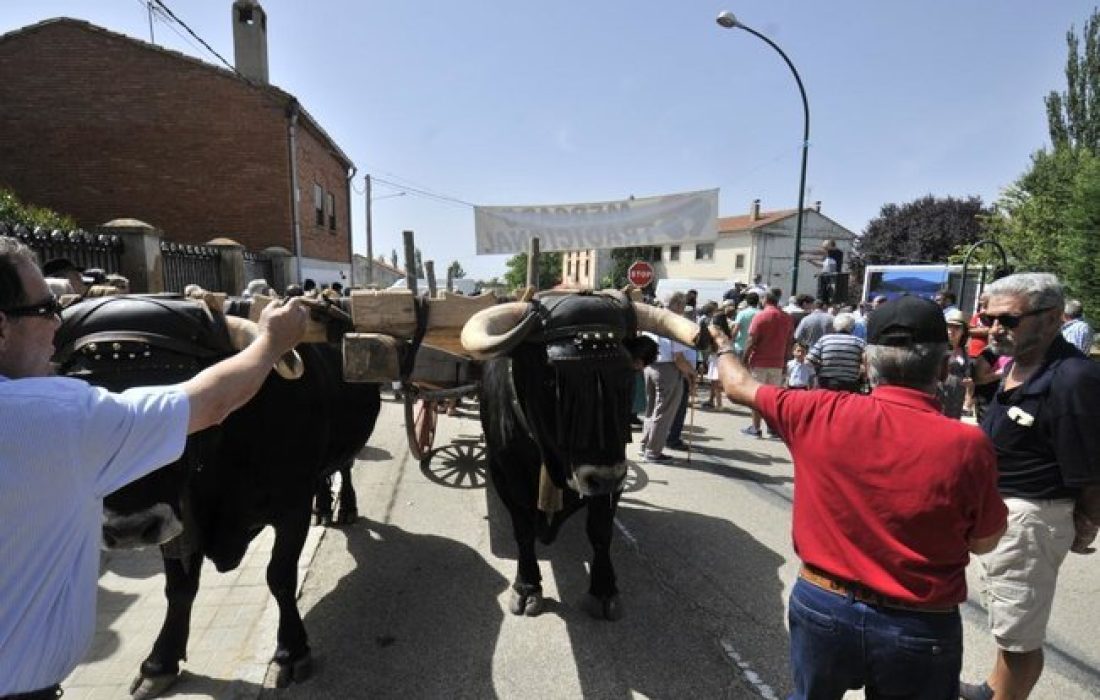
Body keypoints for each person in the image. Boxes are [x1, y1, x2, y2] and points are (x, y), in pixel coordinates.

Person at [0, 236, 309, 697]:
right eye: (46, 309)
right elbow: (209, 403)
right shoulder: (47, 416)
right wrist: (269, 343)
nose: (57, 323)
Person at [709, 294, 1007, 700]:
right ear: (942, 366)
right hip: (918, 624)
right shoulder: (969, 444)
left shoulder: (816, 410)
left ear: (867, 364)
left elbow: (736, 384)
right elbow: (984, 540)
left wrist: (724, 345)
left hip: (823, 605)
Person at [960, 273, 1100, 700]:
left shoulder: (1074, 377)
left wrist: (1087, 522)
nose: (996, 328)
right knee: (1007, 622)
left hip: (1030, 518)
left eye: (1009, 320)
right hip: (1004, 513)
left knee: (1021, 636)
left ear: (1054, 318)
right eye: (989, 318)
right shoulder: (1017, 363)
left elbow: (1092, 467)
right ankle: (994, 688)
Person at [639, 292, 693, 462]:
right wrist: (691, 372)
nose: (684, 308)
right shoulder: (674, 323)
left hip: (650, 366)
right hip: (667, 369)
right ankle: (653, 451)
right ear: (677, 305)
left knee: (651, 409)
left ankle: (645, 445)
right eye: (683, 304)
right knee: (664, 413)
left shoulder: (652, 318)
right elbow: (678, 357)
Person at [741, 288, 792, 438]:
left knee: (757, 396)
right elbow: (789, 342)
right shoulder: (786, 318)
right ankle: (772, 427)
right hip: (778, 362)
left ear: (765, 300)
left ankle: (755, 428)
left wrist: (744, 360)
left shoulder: (760, 316)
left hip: (760, 361)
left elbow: (751, 340)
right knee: (773, 397)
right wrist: (785, 362)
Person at [807, 312, 865, 392]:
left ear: (834, 326)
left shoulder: (825, 340)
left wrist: (819, 369)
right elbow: (866, 363)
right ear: (852, 328)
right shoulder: (859, 342)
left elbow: (809, 360)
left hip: (826, 382)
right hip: (850, 384)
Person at [939, 309, 971, 419]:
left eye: (957, 327)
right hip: (939, 392)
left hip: (957, 395)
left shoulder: (965, 351)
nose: (952, 330)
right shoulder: (939, 347)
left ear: (963, 331)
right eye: (949, 326)